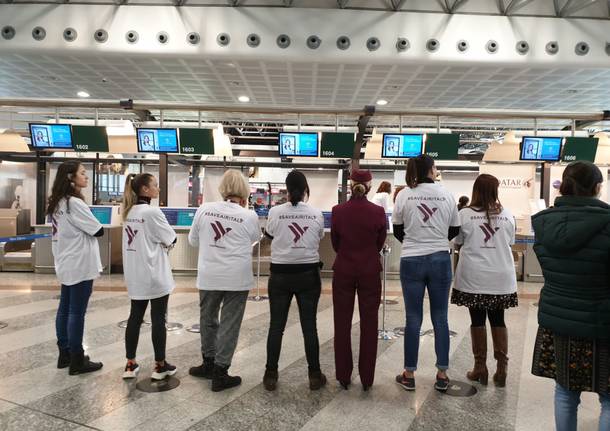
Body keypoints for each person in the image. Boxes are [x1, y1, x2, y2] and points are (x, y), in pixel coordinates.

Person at [531, 161, 610, 431]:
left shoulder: (544, 224)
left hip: (559, 318)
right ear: (598, 188)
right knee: (609, 398)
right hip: (603, 321)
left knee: (565, 392)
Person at [188, 169, 260, 392]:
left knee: (207, 318)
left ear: (222, 189)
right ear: (244, 193)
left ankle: (208, 362)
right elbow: (255, 239)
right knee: (230, 323)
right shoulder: (249, 216)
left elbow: (192, 241)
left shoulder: (205, 209)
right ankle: (220, 372)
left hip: (209, 275)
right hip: (237, 277)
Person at [392, 154, 460, 392]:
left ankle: (409, 373)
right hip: (441, 259)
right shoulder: (446, 194)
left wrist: (415, 242)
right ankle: (442, 373)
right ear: (431, 170)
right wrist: (437, 240)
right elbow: (455, 227)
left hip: (411, 258)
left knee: (413, 318)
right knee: (440, 317)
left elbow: (397, 229)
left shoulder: (404, 194)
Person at [451, 174, 517, 387]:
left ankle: (480, 367)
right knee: (499, 320)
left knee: (477, 320)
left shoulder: (465, 214)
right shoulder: (507, 214)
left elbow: (458, 242)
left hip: (474, 276)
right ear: (496, 191)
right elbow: (510, 242)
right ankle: (501, 368)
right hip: (501, 276)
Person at [262, 170, 326, 391]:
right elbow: (318, 238)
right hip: (308, 275)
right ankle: (315, 375)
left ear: (287, 190)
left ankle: (271, 374)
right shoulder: (316, 213)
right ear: (306, 189)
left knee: (276, 326)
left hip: (280, 275)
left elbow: (269, 237)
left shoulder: (275, 212)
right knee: (310, 327)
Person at [331, 169, 387, 391]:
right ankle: (367, 378)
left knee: (341, 323)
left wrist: (347, 254)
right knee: (369, 324)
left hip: (344, 269)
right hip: (369, 271)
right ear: (370, 186)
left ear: (351, 184)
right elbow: (379, 243)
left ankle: (343, 376)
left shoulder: (338, 211)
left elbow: (335, 243)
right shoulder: (378, 212)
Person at [47, 161, 104, 375]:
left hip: (65, 261)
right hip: (79, 263)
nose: (86, 176)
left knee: (65, 309)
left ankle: (65, 353)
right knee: (76, 312)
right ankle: (77, 359)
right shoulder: (74, 203)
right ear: (71, 177)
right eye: (82, 173)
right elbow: (98, 230)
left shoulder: (57, 202)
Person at [121, 173, 178, 381]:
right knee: (158, 319)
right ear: (145, 189)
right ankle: (160, 365)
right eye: (155, 185)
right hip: (155, 275)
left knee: (134, 318)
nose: (158, 189)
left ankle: (130, 363)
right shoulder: (152, 212)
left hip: (135, 275)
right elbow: (171, 238)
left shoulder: (127, 212)